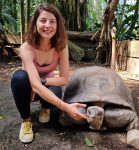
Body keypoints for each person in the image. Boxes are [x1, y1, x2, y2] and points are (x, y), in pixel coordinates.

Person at [11, 3, 87, 143]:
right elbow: (34, 85)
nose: (48, 25)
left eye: (52, 21)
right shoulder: (26, 48)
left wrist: (44, 81)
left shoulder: (61, 46)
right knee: (18, 77)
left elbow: (64, 79)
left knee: (56, 90)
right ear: (35, 23)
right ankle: (26, 120)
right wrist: (66, 107)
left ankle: (45, 107)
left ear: (58, 25)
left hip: (44, 87)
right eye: (43, 20)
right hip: (28, 90)